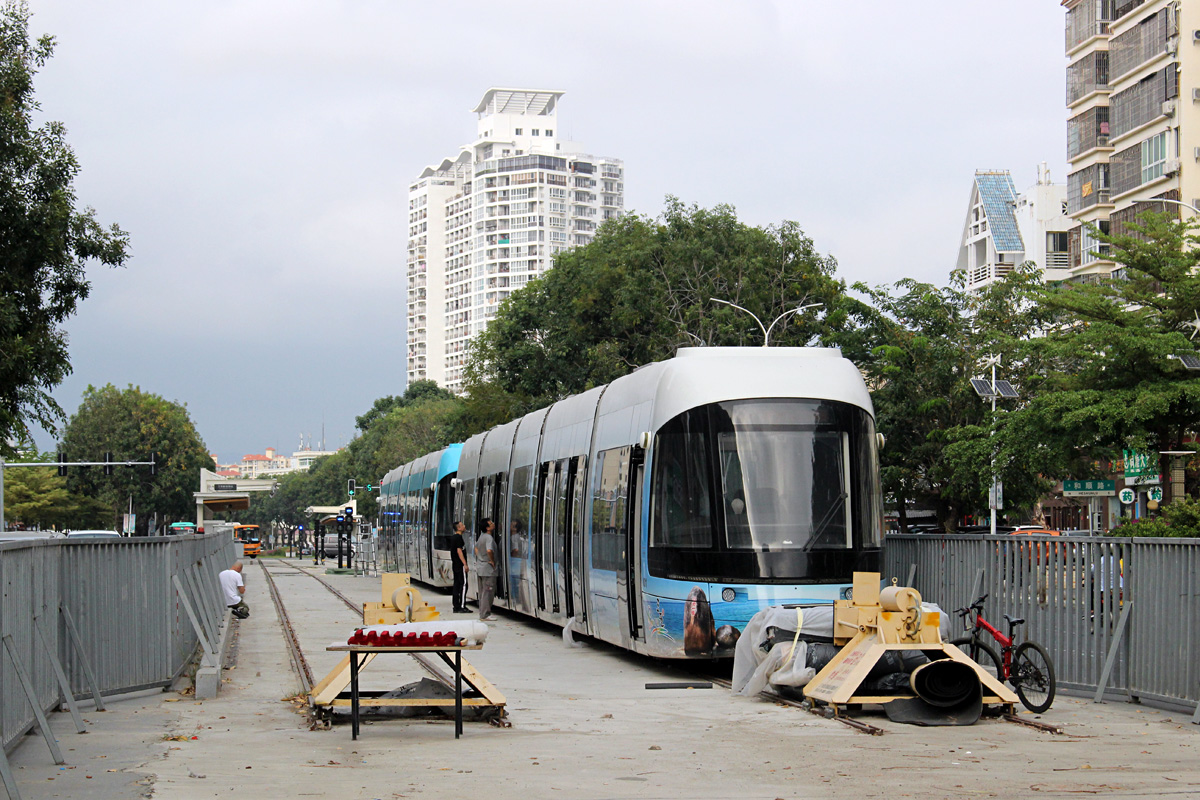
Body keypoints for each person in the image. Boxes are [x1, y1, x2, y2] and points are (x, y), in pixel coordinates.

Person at [474, 518, 497, 621]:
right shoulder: (488, 538)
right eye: (491, 523)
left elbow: (476, 548)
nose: (493, 524)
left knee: (483, 592)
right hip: (488, 569)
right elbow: (489, 550)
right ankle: (485, 614)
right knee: (488, 592)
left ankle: (482, 613)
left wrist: (480, 558)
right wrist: (492, 560)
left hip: (480, 567)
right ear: (487, 528)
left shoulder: (481, 537)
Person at [450, 520, 470, 613]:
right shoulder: (458, 538)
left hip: (455, 565)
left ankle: (456, 606)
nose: (464, 526)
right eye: (462, 525)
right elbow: (459, 551)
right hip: (460, 564)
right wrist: (465, 564)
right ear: (458, 528)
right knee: (464, 585)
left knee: (456, 585)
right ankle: (462, 606)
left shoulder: (453, 538)